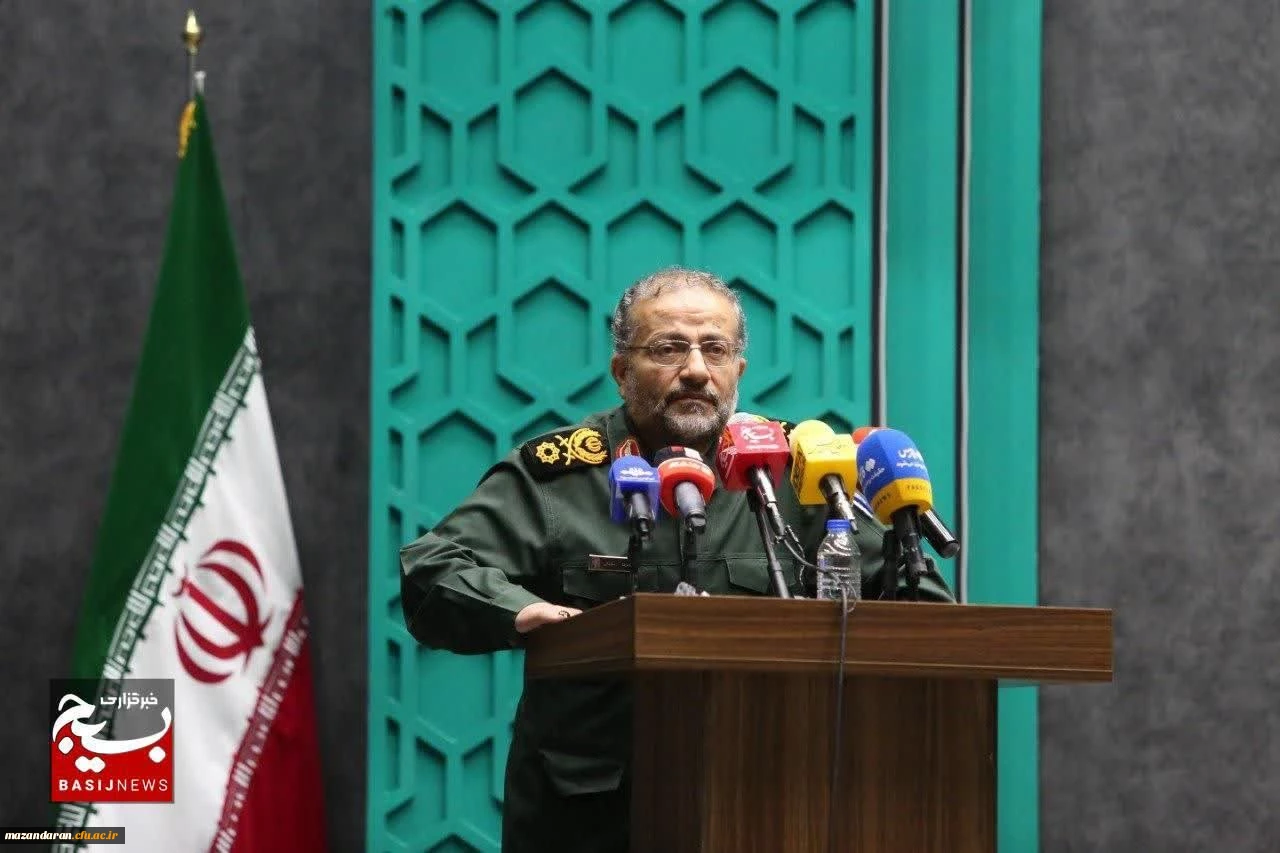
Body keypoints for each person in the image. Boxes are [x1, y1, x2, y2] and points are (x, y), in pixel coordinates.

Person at [399, 267, 954, 853]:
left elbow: (921, 610)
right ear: (621, 372)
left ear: (738, 370)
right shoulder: (563, 475)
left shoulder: (800, 473)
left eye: (715, 350)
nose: (695, 370)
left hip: (771, 801)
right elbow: (433, 567)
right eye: (668, 348)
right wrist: (518, 611)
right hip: (594, 815)